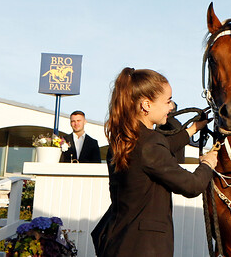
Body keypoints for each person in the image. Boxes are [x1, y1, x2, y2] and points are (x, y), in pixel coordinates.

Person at [91, 68, 218, 257]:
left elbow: (161, 148)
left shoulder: (123, 140)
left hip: (117, 242)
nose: (171, 107)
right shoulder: (149, 144)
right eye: (167, 101)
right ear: (146, 105)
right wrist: (208, 164)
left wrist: (192, 129)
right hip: (145, 248)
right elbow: (192, 186)